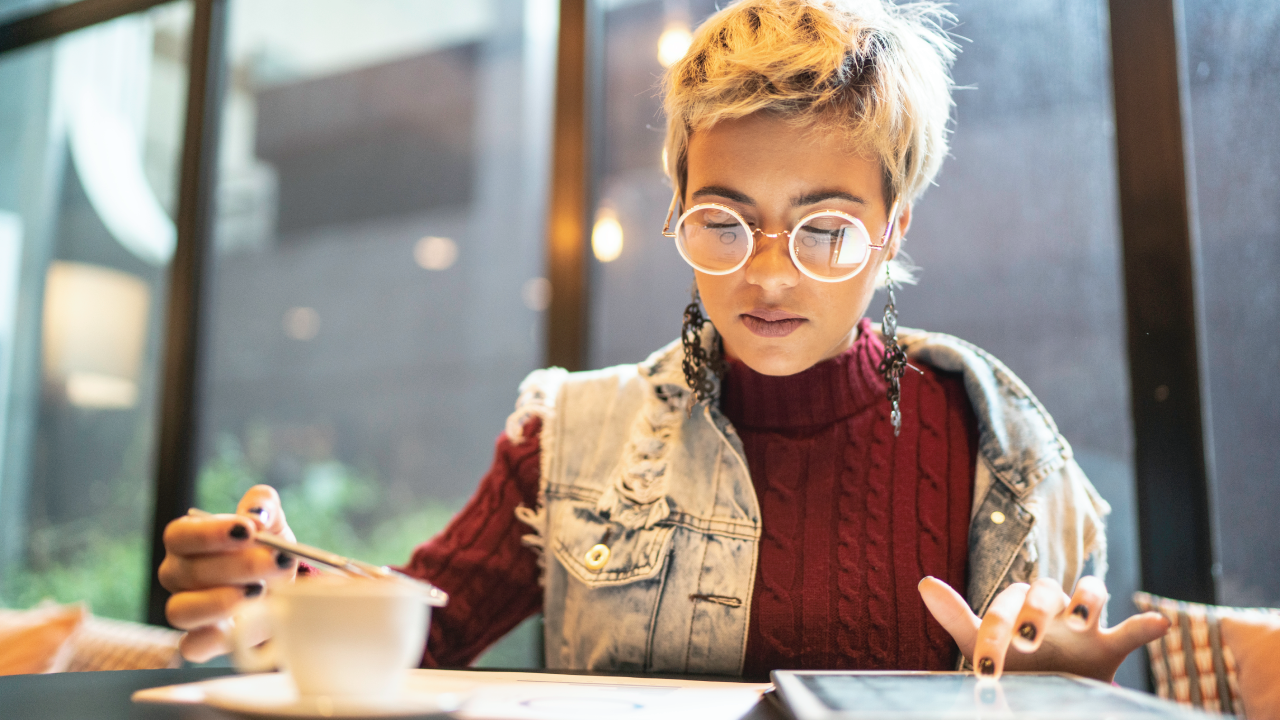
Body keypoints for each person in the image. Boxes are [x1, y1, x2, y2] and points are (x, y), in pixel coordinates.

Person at [158, 0, 1170, 682]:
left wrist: (1062, 695)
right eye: (722, 223)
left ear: (893, 227)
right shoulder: (567, 436)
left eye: (823, 228)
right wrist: (282, 588)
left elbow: (1056, 662)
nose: (766, 275)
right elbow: (425, 632)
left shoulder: (1003, 448)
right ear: (677, 205)